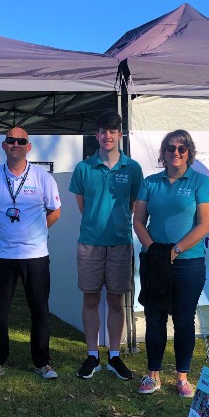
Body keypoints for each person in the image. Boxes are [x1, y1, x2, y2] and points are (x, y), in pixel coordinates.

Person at [133, 129, 209, 397]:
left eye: (182, 148)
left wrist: (176, 250)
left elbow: (204, 224)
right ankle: (152, 374)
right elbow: (138, 221)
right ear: (163, 153)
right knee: (155, 319)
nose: (176, 153)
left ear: (189, 153)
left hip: (188, 263)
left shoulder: (200, 182)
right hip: (155, 261)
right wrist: (156, 251)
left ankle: (182, 377)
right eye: (170, 148)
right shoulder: (150, 182)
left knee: (183, 320)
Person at [0, 127, 61, 382]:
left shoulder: (42, 177)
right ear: (3, 145)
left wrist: (35, 231)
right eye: (11, 141)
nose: (15, 145)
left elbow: (55, 211)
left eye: (20, 141)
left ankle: (42, 361)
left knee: (39, 310)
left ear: (29, 146)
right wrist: (5, 230)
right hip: (2, 255)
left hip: (35, 255)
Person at [69, 110, 143, 381]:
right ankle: (92, 355)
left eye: (112, 131)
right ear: (97, 135)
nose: (107, 135)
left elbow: (134, 204)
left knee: (116, 299)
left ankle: (114, 356)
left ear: (120, 135)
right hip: (90, 243)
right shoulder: (84, 168)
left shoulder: (132, 168)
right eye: (102, 131)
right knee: (90, 298)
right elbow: (82, 205)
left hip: (120, 243)